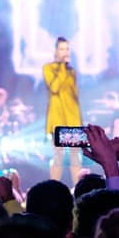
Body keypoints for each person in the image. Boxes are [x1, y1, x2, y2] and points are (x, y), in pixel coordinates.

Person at [43, 37, 82, 182]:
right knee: (58, 155)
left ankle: (77, 187)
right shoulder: (48, 68)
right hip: (57, 119)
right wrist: (61, 68)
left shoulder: (72, 71)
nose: (65, 52)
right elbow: (54, 88)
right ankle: (55, 187)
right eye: (62, 49)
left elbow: (75, 97)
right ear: (55, 51)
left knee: (75, 156)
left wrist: (79, 122)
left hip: (73, 119)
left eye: (67, 49)